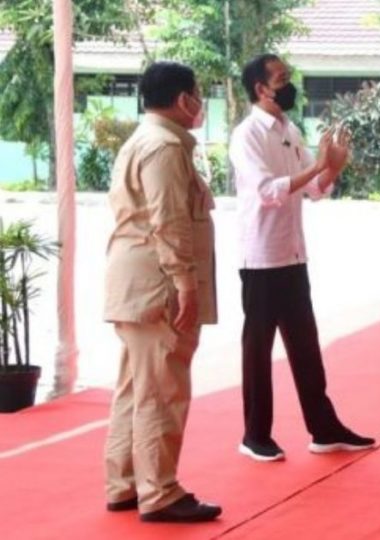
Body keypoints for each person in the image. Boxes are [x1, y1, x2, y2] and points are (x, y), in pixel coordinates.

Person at [229, 53, 374, 462]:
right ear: (261, 88)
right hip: (261, 257)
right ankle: (255, 434)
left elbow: (314, 189)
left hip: (292, 254)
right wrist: (318, 168)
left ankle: (324, 428)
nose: (289, 83)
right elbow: (268, 190)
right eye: (281, 78)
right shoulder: (247, 135)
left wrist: (333, 170)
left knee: (306, 346)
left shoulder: (290, 129)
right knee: (258, 350)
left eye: (288, 76)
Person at [103, 61, 221, 523]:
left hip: (137, 283)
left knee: (136, 387)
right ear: (182, 100)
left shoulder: (145, 140)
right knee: (163, 390)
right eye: (197, 93)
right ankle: (160, 491)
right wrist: (185, 283)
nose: (200, 102)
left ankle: (125, 483)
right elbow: (168, 221)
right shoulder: (164, 147)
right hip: (157, 285)